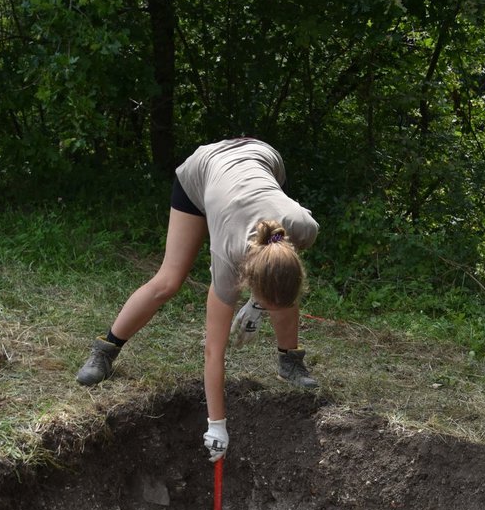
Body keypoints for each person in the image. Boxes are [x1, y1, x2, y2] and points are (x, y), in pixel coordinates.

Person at [76, 138, 319, 462]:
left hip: (262, 158)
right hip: (204, 171)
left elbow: (279, 276)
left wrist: (258, 306)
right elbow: (213, 351)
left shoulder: (302, 228)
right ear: (244, 277)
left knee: (279, 286)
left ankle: (289, 361)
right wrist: (216, 425)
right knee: (168, 281)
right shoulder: (228, 257)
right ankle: (104, 352)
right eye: (254, 293)